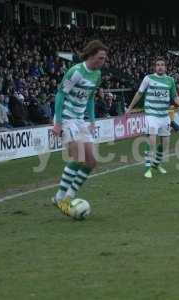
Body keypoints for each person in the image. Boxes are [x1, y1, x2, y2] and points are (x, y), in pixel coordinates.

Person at [52, 40, 108, 216]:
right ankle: (60, 197)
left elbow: (90, 98)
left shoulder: (97, 74)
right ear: (91, 56)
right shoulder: (76, 72)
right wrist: (58, 122)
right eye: (100, 58)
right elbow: (61, 94)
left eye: (104, 58)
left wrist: (91, 121)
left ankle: (69, 196)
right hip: (67, 119)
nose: (103, 61)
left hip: (81, 120)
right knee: (78, 158)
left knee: (91, 162)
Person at [126, 57, 179, 178]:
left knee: (165, 144)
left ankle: (156, 165)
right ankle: (147, 168)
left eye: (162, 64)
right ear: (155, 67)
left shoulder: (170, 80)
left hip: (164, 115)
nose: (160, 66)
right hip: (151, 114)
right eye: (158, 65)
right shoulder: (148, 78)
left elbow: (175, 97)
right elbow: (139, 93)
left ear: (165, 67)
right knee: (152, 140)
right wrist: (130, 107)